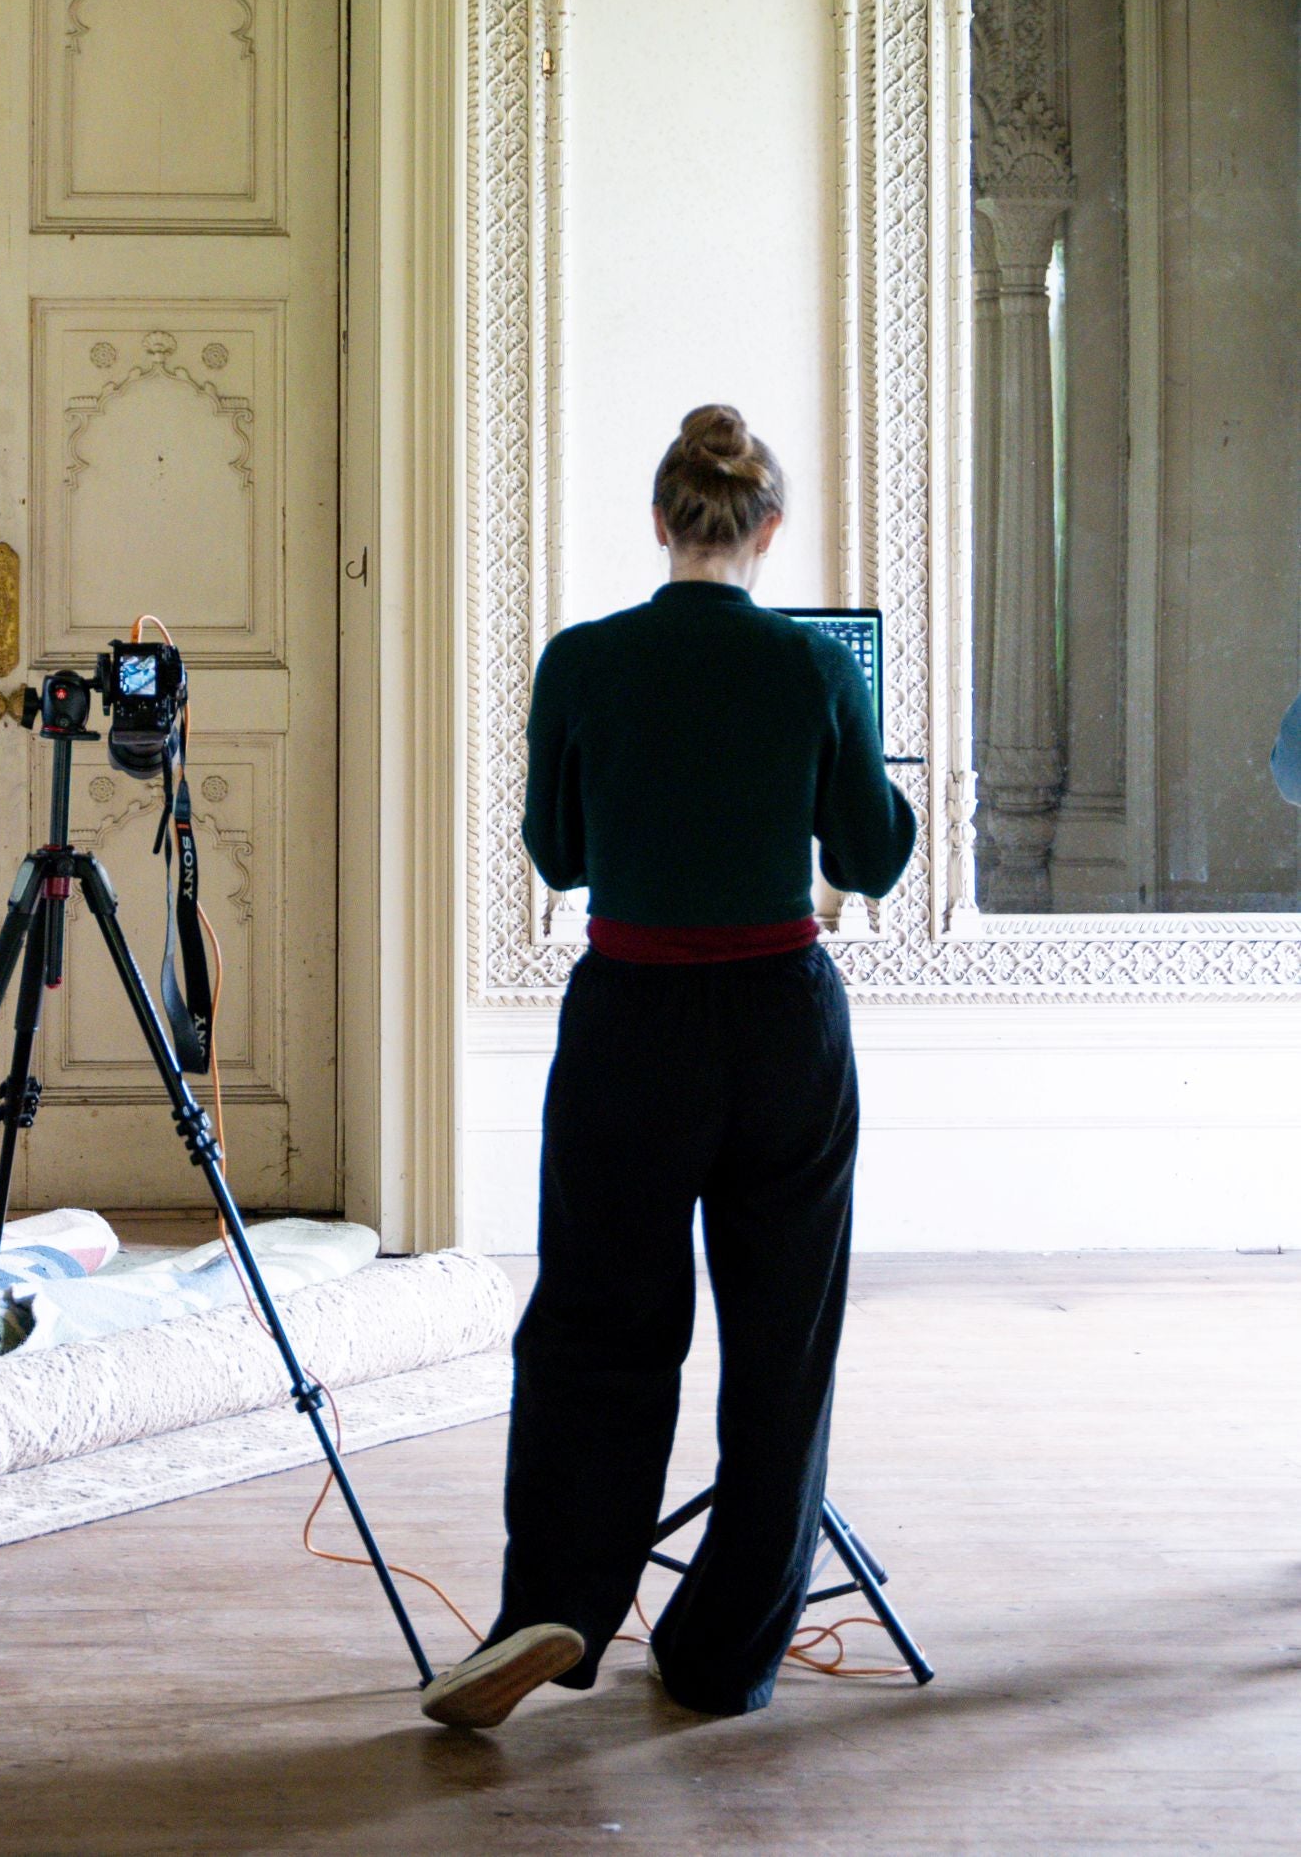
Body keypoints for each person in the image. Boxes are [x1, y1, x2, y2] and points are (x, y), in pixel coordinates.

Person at [419, 404, 916, 1733]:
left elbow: (560, 851)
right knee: (780, 1342)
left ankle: (558, 1603)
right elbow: (870, 858)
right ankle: (723, 1650)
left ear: (659, 523)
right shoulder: (816, 666)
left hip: (630, 1014)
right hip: (780, 1024)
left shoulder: (581, 662)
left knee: (595, 1320)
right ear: (768, 529)